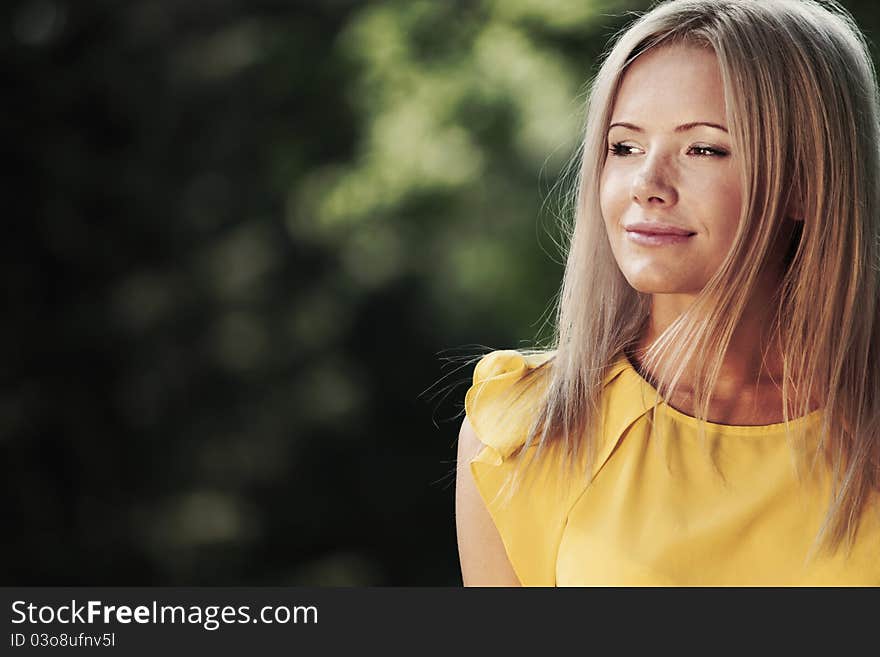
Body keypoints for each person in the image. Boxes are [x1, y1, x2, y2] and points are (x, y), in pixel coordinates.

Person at [455, 0, 880, 586]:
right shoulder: (523, 432)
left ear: (806, 182)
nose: (646, 186)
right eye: (624, 147)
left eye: (703, 148)